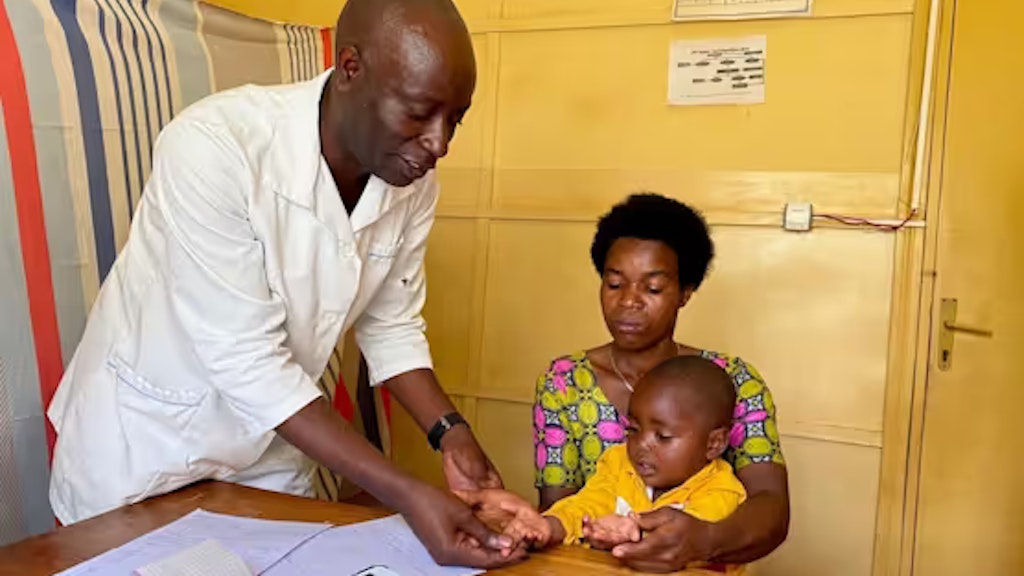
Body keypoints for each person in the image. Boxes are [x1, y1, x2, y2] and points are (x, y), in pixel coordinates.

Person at [46, 0, 523, 568]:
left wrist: (451, 434)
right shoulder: (214, 147)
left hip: (268, 449)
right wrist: (407, 494)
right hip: (146, 446)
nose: (439, 144)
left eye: (456, 118)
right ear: (350, 68)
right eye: (420, 113)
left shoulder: (409, 178)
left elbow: (391, 323)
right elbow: (248, 361)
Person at [532, 193, 789, 571]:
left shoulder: (736, 382)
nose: (628, 302)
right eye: (614, 283)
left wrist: (704, 539)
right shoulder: (564, 383)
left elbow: (771, 508)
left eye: (652, 289)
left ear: (685, 292)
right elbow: (562, 511)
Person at [511, 356, 748, 575]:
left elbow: (683, 539)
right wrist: (549, 526)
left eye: (663, 436)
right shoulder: (618, 463)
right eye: (633, 430)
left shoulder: (723, 491)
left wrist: (633, 536)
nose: (641, 445)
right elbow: (586, 504)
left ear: (713, 444)